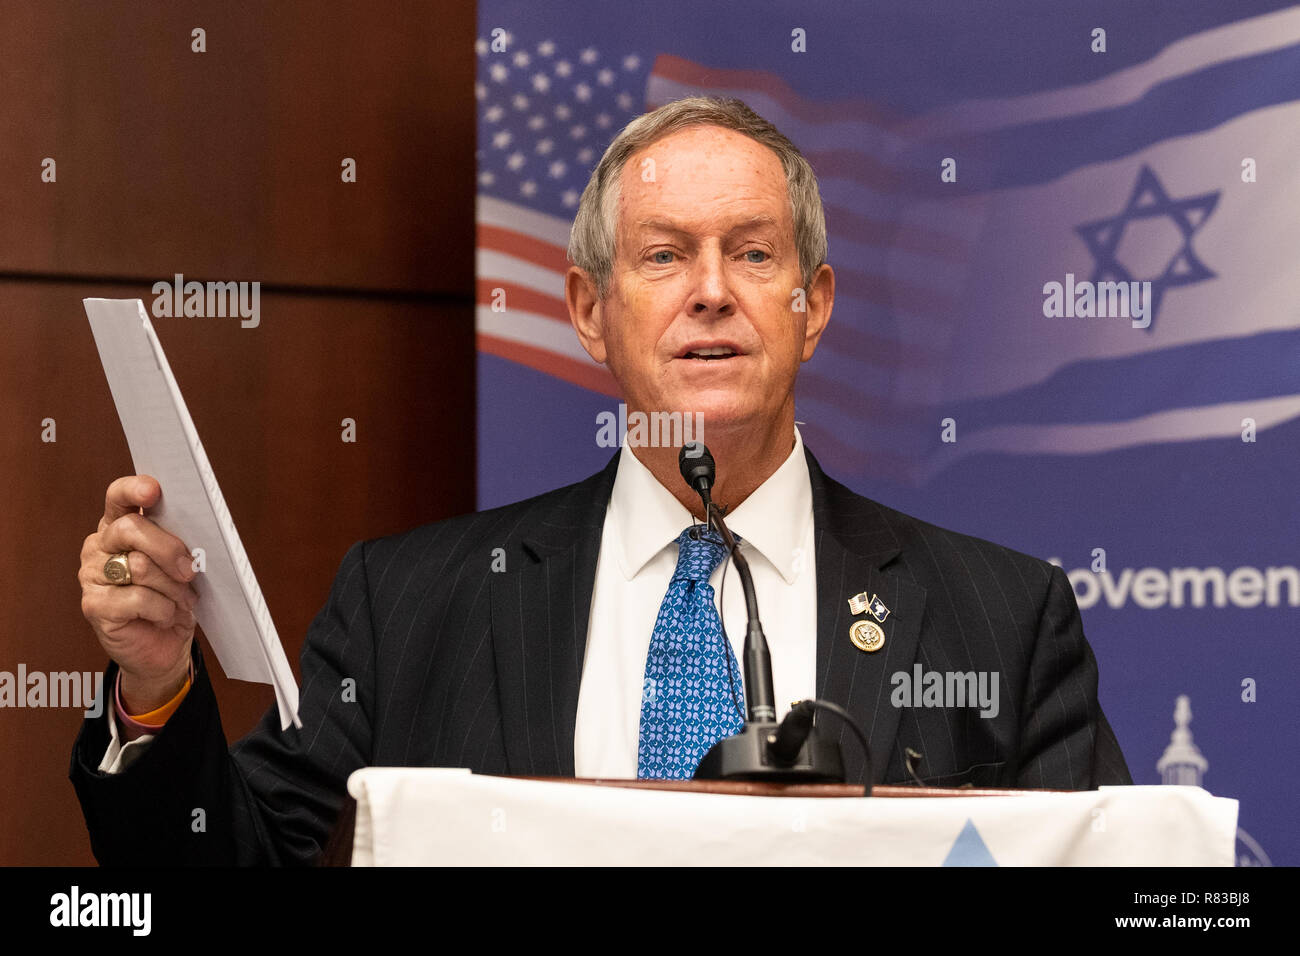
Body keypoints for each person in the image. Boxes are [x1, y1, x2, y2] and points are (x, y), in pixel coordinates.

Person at [71, 96, 1132, 865]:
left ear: (813, 307)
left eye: (753, 255)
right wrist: (158, 691)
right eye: (664, 256)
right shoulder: (409, 604)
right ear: (587, 310)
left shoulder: (998, 618)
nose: (711, 293)